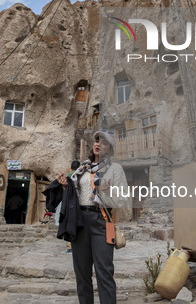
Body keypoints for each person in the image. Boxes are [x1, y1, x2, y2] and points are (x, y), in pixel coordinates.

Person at [58, 130, 129, 304]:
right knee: (81, 274)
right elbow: (76, 195)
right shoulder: (83, 168)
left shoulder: (115, 169)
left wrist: (105, 190)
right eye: (97, 141)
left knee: (104, 272)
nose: (98, 144)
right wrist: (65, 187)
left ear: (110, 149)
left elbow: (122, 199)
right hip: (79, 221)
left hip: (102, 220)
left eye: (104, 142)